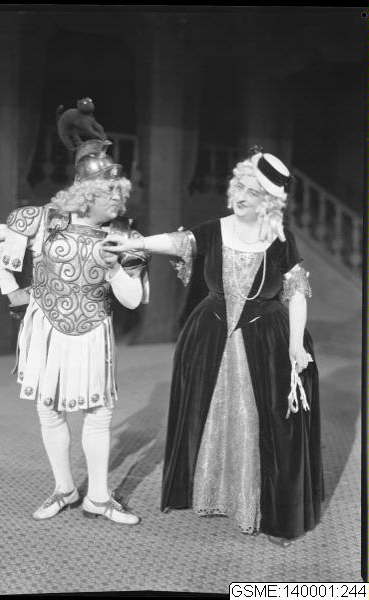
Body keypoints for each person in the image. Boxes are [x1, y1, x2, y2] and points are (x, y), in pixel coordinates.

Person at [103, 148, 323, 545]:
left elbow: (296, 294)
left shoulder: (280, 240)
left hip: (266, 340)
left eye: (251, 192)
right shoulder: (216, 229)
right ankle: (211, 491)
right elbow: (178, 241)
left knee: (267, 422)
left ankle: (266, 506)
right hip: (211, 335)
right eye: (238, 187)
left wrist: (295, 344)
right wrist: (131, 243)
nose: (240, 196)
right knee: (208, 413)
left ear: (268, 200)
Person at [0, 107, 149, 525]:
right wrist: (14, 292)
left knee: (98, 414)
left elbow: (132, 301)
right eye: (111, 193)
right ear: (87, 194)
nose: (120, 199)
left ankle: (98, 497)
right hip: (46, 325)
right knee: (49, 410)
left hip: (93, 329)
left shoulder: (125, 236)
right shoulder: (45, 221)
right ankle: (65, 488)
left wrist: (113, 268)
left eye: (120, 192)